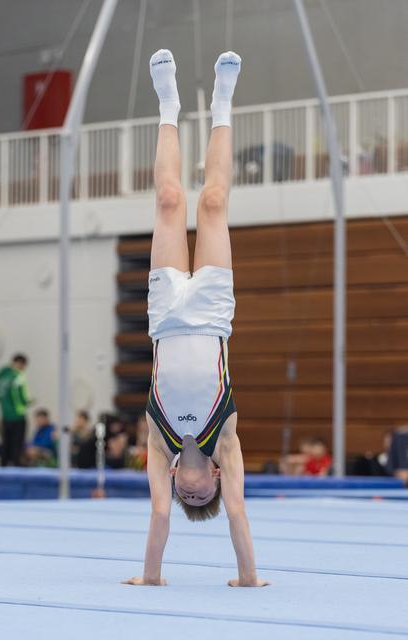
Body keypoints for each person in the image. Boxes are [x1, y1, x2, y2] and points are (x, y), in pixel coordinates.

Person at [123, 49, 267, 588]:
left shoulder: (158, 443)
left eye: (187, 495)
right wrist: (248, 578)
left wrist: (150, 578)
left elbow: (160, 514)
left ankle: (168, 105)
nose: (187, 491)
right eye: (198, 493)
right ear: (215, 477)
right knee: (210, 202)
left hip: (164, 317)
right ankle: (224, 101)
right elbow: (237, 512)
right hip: (209, 316)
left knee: (166, 201)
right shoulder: (225, 440)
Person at [0, 353, 31, 466]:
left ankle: (3, 470)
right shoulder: (17, 377)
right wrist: (26, 402)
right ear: (19, 364)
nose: (23, 369)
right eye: (22, 366)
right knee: (16, 447)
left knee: (5, 445)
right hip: (17, 417)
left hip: (5, 416)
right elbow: (21, 397)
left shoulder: (1, 375)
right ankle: (16, 470)